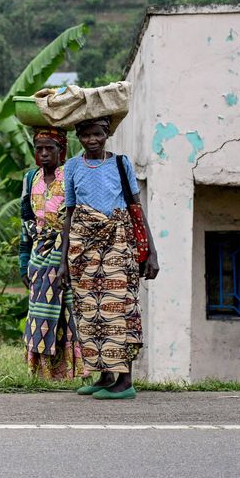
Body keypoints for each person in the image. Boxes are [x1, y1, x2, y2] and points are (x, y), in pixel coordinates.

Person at [55, 116, 160, 399]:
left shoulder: (120, 163)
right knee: (90, 312)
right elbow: (70, 215)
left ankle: (125, 380)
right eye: (86, 135)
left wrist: (151, 252)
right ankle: (105, 375)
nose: (92, 140)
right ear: (79, 137)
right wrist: (63, 261)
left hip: (117, 245)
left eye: (98, 134)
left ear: (107, 134)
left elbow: (136, 209)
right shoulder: (73, 166)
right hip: (83, 251)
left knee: (118, 309)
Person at [18, 127, 83, 380]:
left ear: (61, 150)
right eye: (39, 149)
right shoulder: (30, 178)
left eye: (50, 149)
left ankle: (69, 371)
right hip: (38, 254)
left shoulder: (69, 175)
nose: (44, 153)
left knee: (66, 313)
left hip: (64, 253)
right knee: (39, 312)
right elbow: (25, 221)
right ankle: (42, 371)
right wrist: (23, 263)